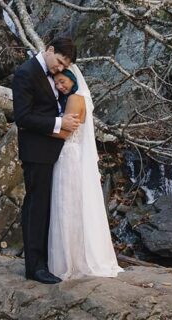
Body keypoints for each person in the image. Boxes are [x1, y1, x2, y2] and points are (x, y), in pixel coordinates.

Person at [11, 37, 81, 284]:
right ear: (49, 50)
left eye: (64, 66)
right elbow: (23, 117)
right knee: (36, 207)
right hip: (36, 151)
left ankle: (48, 261)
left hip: (53, 150)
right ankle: (34, 267)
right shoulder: (25, 73)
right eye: (60, 62)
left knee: (49, 207)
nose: (60, 69)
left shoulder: (55, 75)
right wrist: (60, 123)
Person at [48, 67, 124, 280]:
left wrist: (40, 127)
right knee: (70, 205)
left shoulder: (74, 98)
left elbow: (65, 132)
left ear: (72, 78)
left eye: (62, 81)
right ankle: (74, 257)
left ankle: (72, 261)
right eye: (57, 83)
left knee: (68, 205)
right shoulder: (77, 97)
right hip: (70, 155)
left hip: (69, 156)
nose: (60, 86)